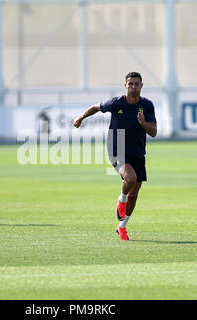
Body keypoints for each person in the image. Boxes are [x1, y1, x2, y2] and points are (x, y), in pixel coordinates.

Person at [73, 72, 157, 241]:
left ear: (142, 86)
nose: (133, 87)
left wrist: (143, 123)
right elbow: (96, 107)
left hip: (138, 150)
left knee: (135, 192)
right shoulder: (116, 102)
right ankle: (121, 199)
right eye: (130, 84)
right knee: (130, 179)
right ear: (125, 85)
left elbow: (153, 132)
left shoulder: (147, 105)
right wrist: (81, 117)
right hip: (116, 146)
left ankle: (122, 226)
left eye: (136, 84)